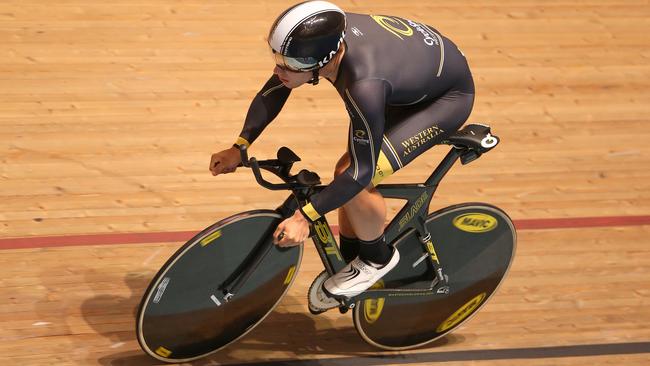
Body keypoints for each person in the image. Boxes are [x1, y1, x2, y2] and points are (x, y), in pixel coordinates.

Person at [209, 1, 474, 299]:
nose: (278, 69)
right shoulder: (322, 39)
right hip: (410, 73)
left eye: (291, 64)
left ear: (324, 59)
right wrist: (240, 146)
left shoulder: (364, 86)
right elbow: (276, 87)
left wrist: (302, 217)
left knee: (352, 175)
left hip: (445, 99)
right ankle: (351, 260)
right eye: (278, 57)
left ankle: (377, 258)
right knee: (345, 174)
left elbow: (360, 174)